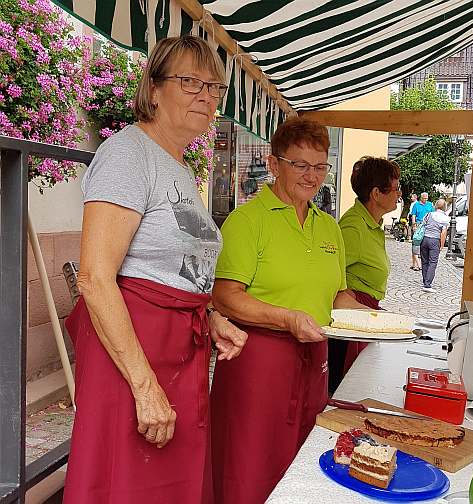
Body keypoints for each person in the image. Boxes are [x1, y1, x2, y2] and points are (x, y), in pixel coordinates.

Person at [63, 35, 247, 504]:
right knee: (125, 486)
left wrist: (210, 317)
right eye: (190, 82)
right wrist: (144, 388)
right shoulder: (128, 155)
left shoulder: (180, 167)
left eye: (214, 86)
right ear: (155, 88)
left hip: (178, 349)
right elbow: (94, 278)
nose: (206, 95)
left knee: (171, 486)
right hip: (131, 357)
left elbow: (169, 270)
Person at [209, 117, 366, 504]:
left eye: (319, 166)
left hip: (314, 359)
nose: (311, 176)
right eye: (300, 164)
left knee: (304, 457)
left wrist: (379, 321)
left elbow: (338, 297)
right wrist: (286, 318)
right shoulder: (247, 221)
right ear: (275, 163)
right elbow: (225, 296)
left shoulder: (329, 227)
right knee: (247, 466)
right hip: (257, 361)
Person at [329, 156, 401, 392]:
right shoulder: (353, 227)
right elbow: (329, 275)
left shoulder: (371, 223)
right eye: (395, 188)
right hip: (351, 319)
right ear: (376, 194)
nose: (399, 194)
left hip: (364, 313)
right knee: (348, 387)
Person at [420, 198, 450, 292]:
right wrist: (441, 245)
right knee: (432, 262)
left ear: (436, 205)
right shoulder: (445, 218)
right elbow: (443, 232)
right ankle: (427, 285)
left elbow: (423, 225)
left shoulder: (429, 214)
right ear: (444, 207)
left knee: (424, 261)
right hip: (434, 240)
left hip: (424, 239)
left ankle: (425, 280)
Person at [411, 192, 433, 270]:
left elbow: (432, 215)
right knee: (416, 242)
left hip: (426, 225)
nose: (425, 200)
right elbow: (413, 215)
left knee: (422, 243)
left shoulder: (430, 204)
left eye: (426, 198)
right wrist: (414, 225)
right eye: (424, 198)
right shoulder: (416, 205)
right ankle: (416, 264)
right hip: (418, 224)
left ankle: (415, 264)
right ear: (421, 198)